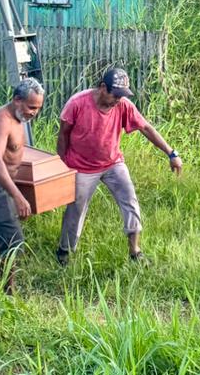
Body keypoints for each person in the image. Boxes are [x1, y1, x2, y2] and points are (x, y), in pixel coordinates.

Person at [57, 66, 182, 266]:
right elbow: (63, 134)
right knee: (76, 209)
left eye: (122, 95)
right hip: (81, 166)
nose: (118, 99)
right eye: (115, 95)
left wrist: (171, 153)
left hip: (112, 163)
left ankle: (135, 251)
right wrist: (62, 164)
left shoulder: (123, 105)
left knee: (129, 200)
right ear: (102, 88)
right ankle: (65, 252)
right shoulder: (77, 103)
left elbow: (146, 128)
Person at [0, 77, 45, 285]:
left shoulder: (18, 118)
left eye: (38, 108)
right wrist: (18, 196)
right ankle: (7, 291)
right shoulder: (2, 120)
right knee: (14, 240)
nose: (34, 113)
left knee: (0, 229)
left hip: (2, 184)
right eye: (31, 107)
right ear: (17, 100)